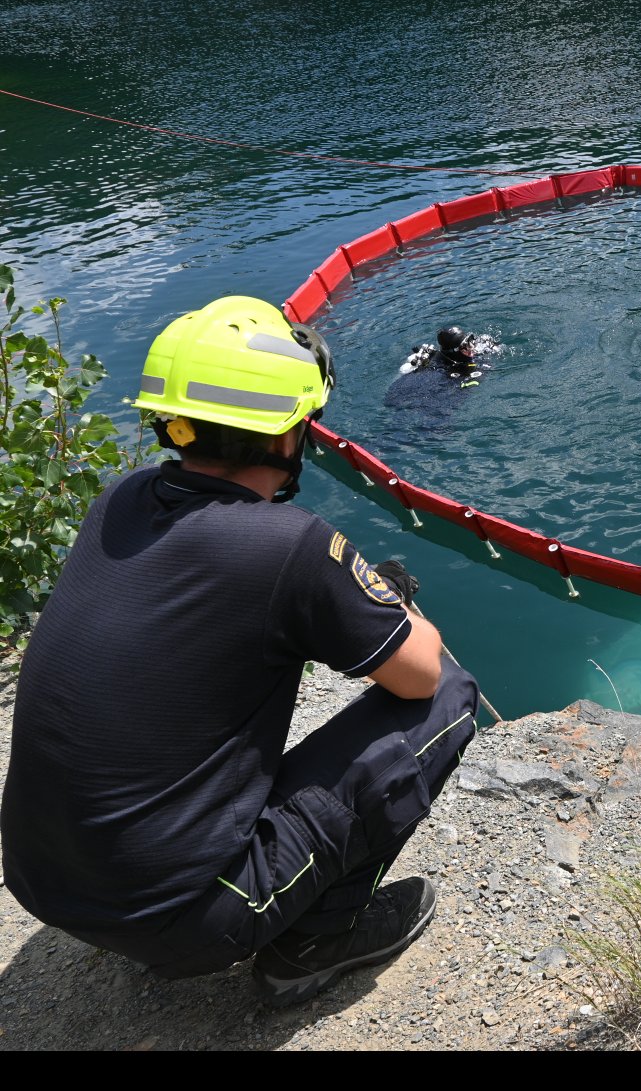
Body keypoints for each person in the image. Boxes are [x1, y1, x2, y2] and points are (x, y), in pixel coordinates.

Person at [0, 295, 480, 1007]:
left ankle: (163, 895)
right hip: (187, 921)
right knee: (449, 693)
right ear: (286, 435)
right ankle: (313, 942)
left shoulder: (122, 500)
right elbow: (417, 672)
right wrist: (391, 599)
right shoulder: (290, 544)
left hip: (40, 880)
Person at [400, 325, 499, 386]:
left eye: (470, 341)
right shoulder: (451, 371)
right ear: (455, 352)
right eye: (466, 345)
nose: (472, 347)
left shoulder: (454, 354)